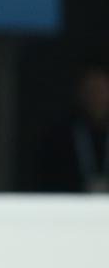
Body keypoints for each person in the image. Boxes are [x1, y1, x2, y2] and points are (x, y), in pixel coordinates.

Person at [35, 60, 109, 193]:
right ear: (80, 93)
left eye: (100, 90)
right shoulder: (60, 137)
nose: (96, 97)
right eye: (90, 90)